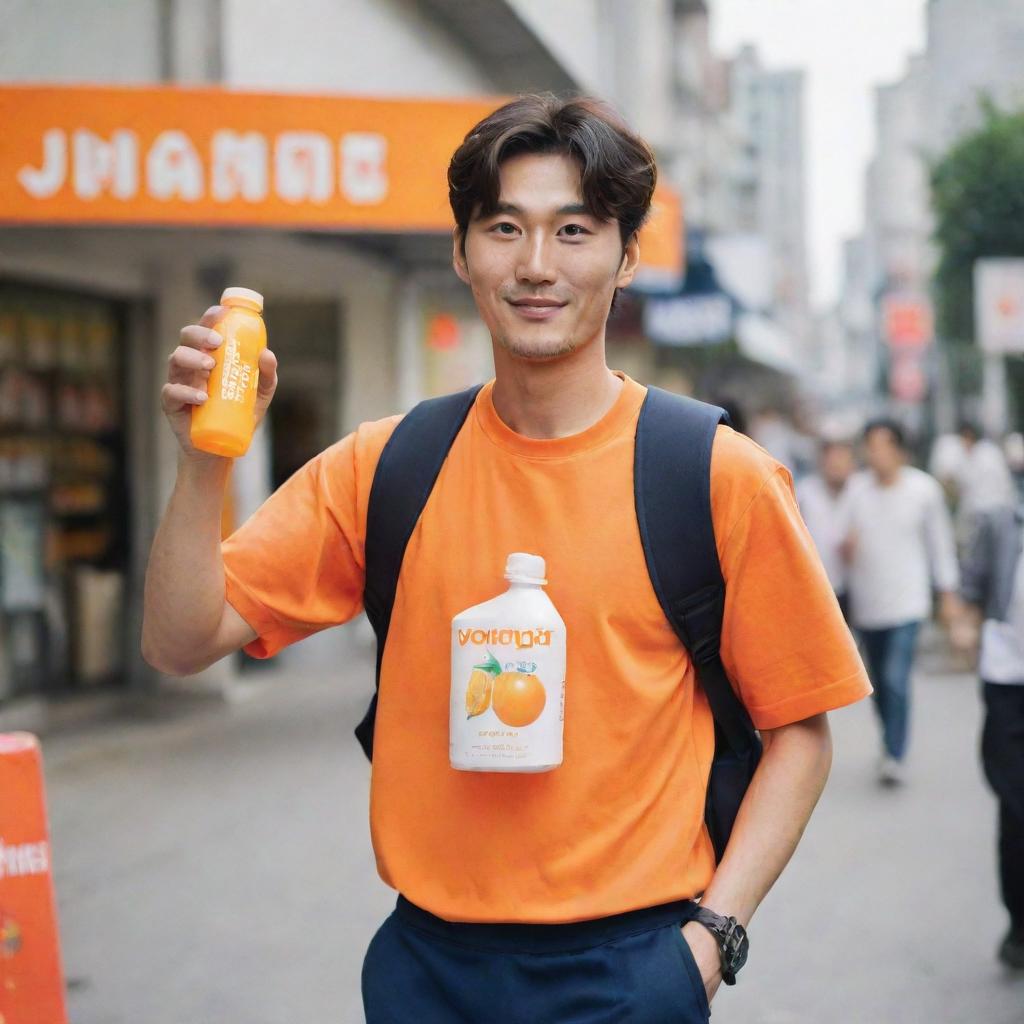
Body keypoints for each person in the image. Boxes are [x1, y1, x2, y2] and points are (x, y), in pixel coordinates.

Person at [143, 94, 871, 1022]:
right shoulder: (386, 465)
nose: (536, 266)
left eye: (573, 231)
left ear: (627, 256)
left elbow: (800, 731)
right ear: (461, 251)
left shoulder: (716, 475)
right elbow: (179, 641)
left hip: (632, 969)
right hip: (426, 967)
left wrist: (710, 944)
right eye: (503, 228)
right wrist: (206, 460)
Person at [839, 419, 960, 786]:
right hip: (868, 604)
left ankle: (895, 753)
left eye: (882, 445)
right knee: (877, 682)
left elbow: (940, 545)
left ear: (900, 450)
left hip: (908, 602)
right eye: (869, 446)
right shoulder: (857, 490)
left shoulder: (923, 490)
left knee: (895, 677)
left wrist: (948, 596)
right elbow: (841, 542)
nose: (874, 454)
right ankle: (889, 740)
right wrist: (848, 547)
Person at [956, 498, 1024, 970]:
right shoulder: (1002, 519)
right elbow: (973, 580)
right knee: (1015, 805)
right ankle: (1020, 922)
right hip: (1008, 675)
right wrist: (964, 623)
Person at [797, 439, 856, 620]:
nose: (836, 465)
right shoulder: (805, 493)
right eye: (831, 459)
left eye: (841, 459)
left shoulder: (861, 491)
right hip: (817, 586)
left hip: (855, 588)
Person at [953, 419, 1016, 544]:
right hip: (1002, 510)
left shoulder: (973, 458)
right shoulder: (991, 451)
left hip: (983, 514)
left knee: (983, 559)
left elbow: (967, 493)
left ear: (968, 436)